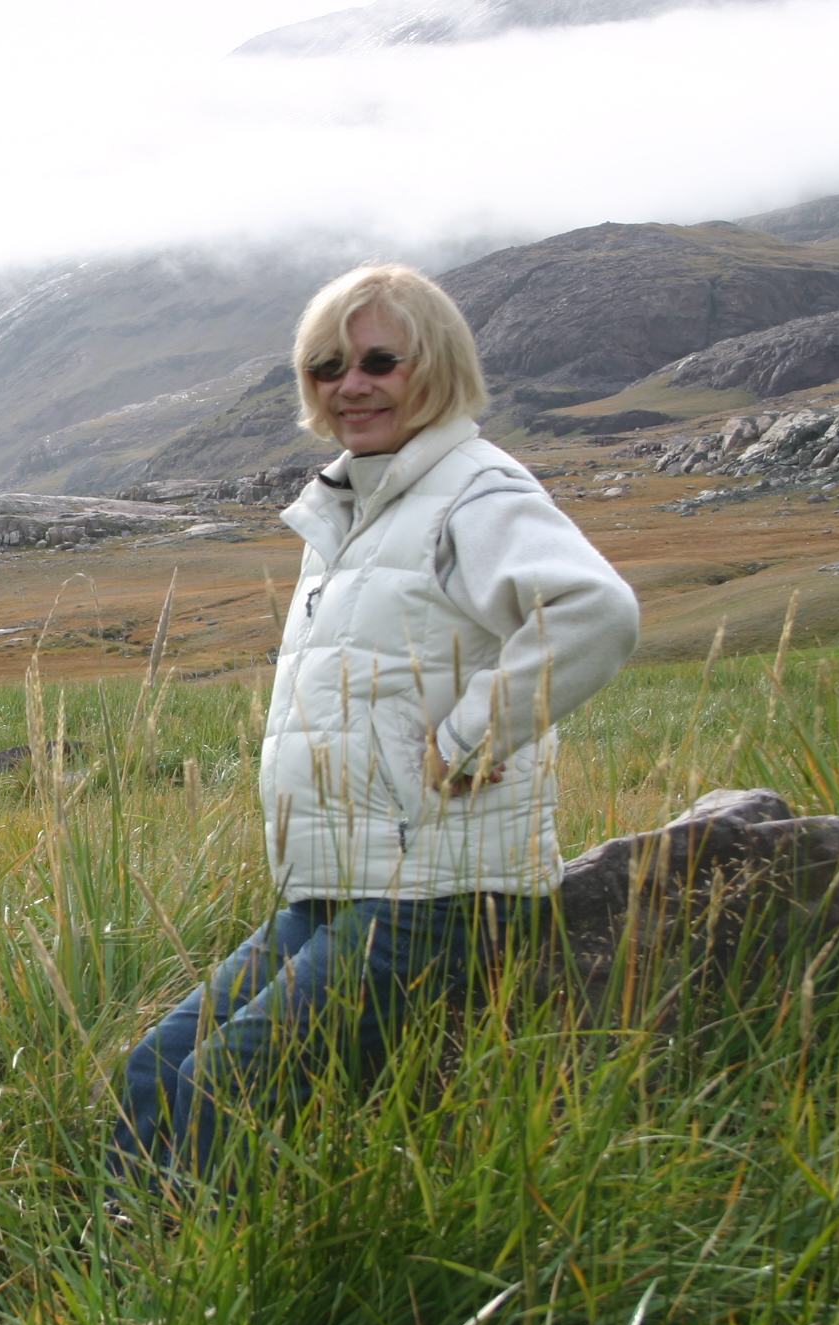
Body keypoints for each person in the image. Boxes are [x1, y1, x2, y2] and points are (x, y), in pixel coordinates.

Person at [113, 264, 640, 1186]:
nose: (350, 386)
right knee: (154, 1071)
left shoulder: (475, 491)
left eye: (379, 362)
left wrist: (472, 737)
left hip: (441, 891)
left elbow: (594, 609)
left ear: (433, 368)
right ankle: (118, 1266)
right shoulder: (355, 505)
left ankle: (187, 1289)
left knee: (217, 1093)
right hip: (341, 880)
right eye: (326, 368)